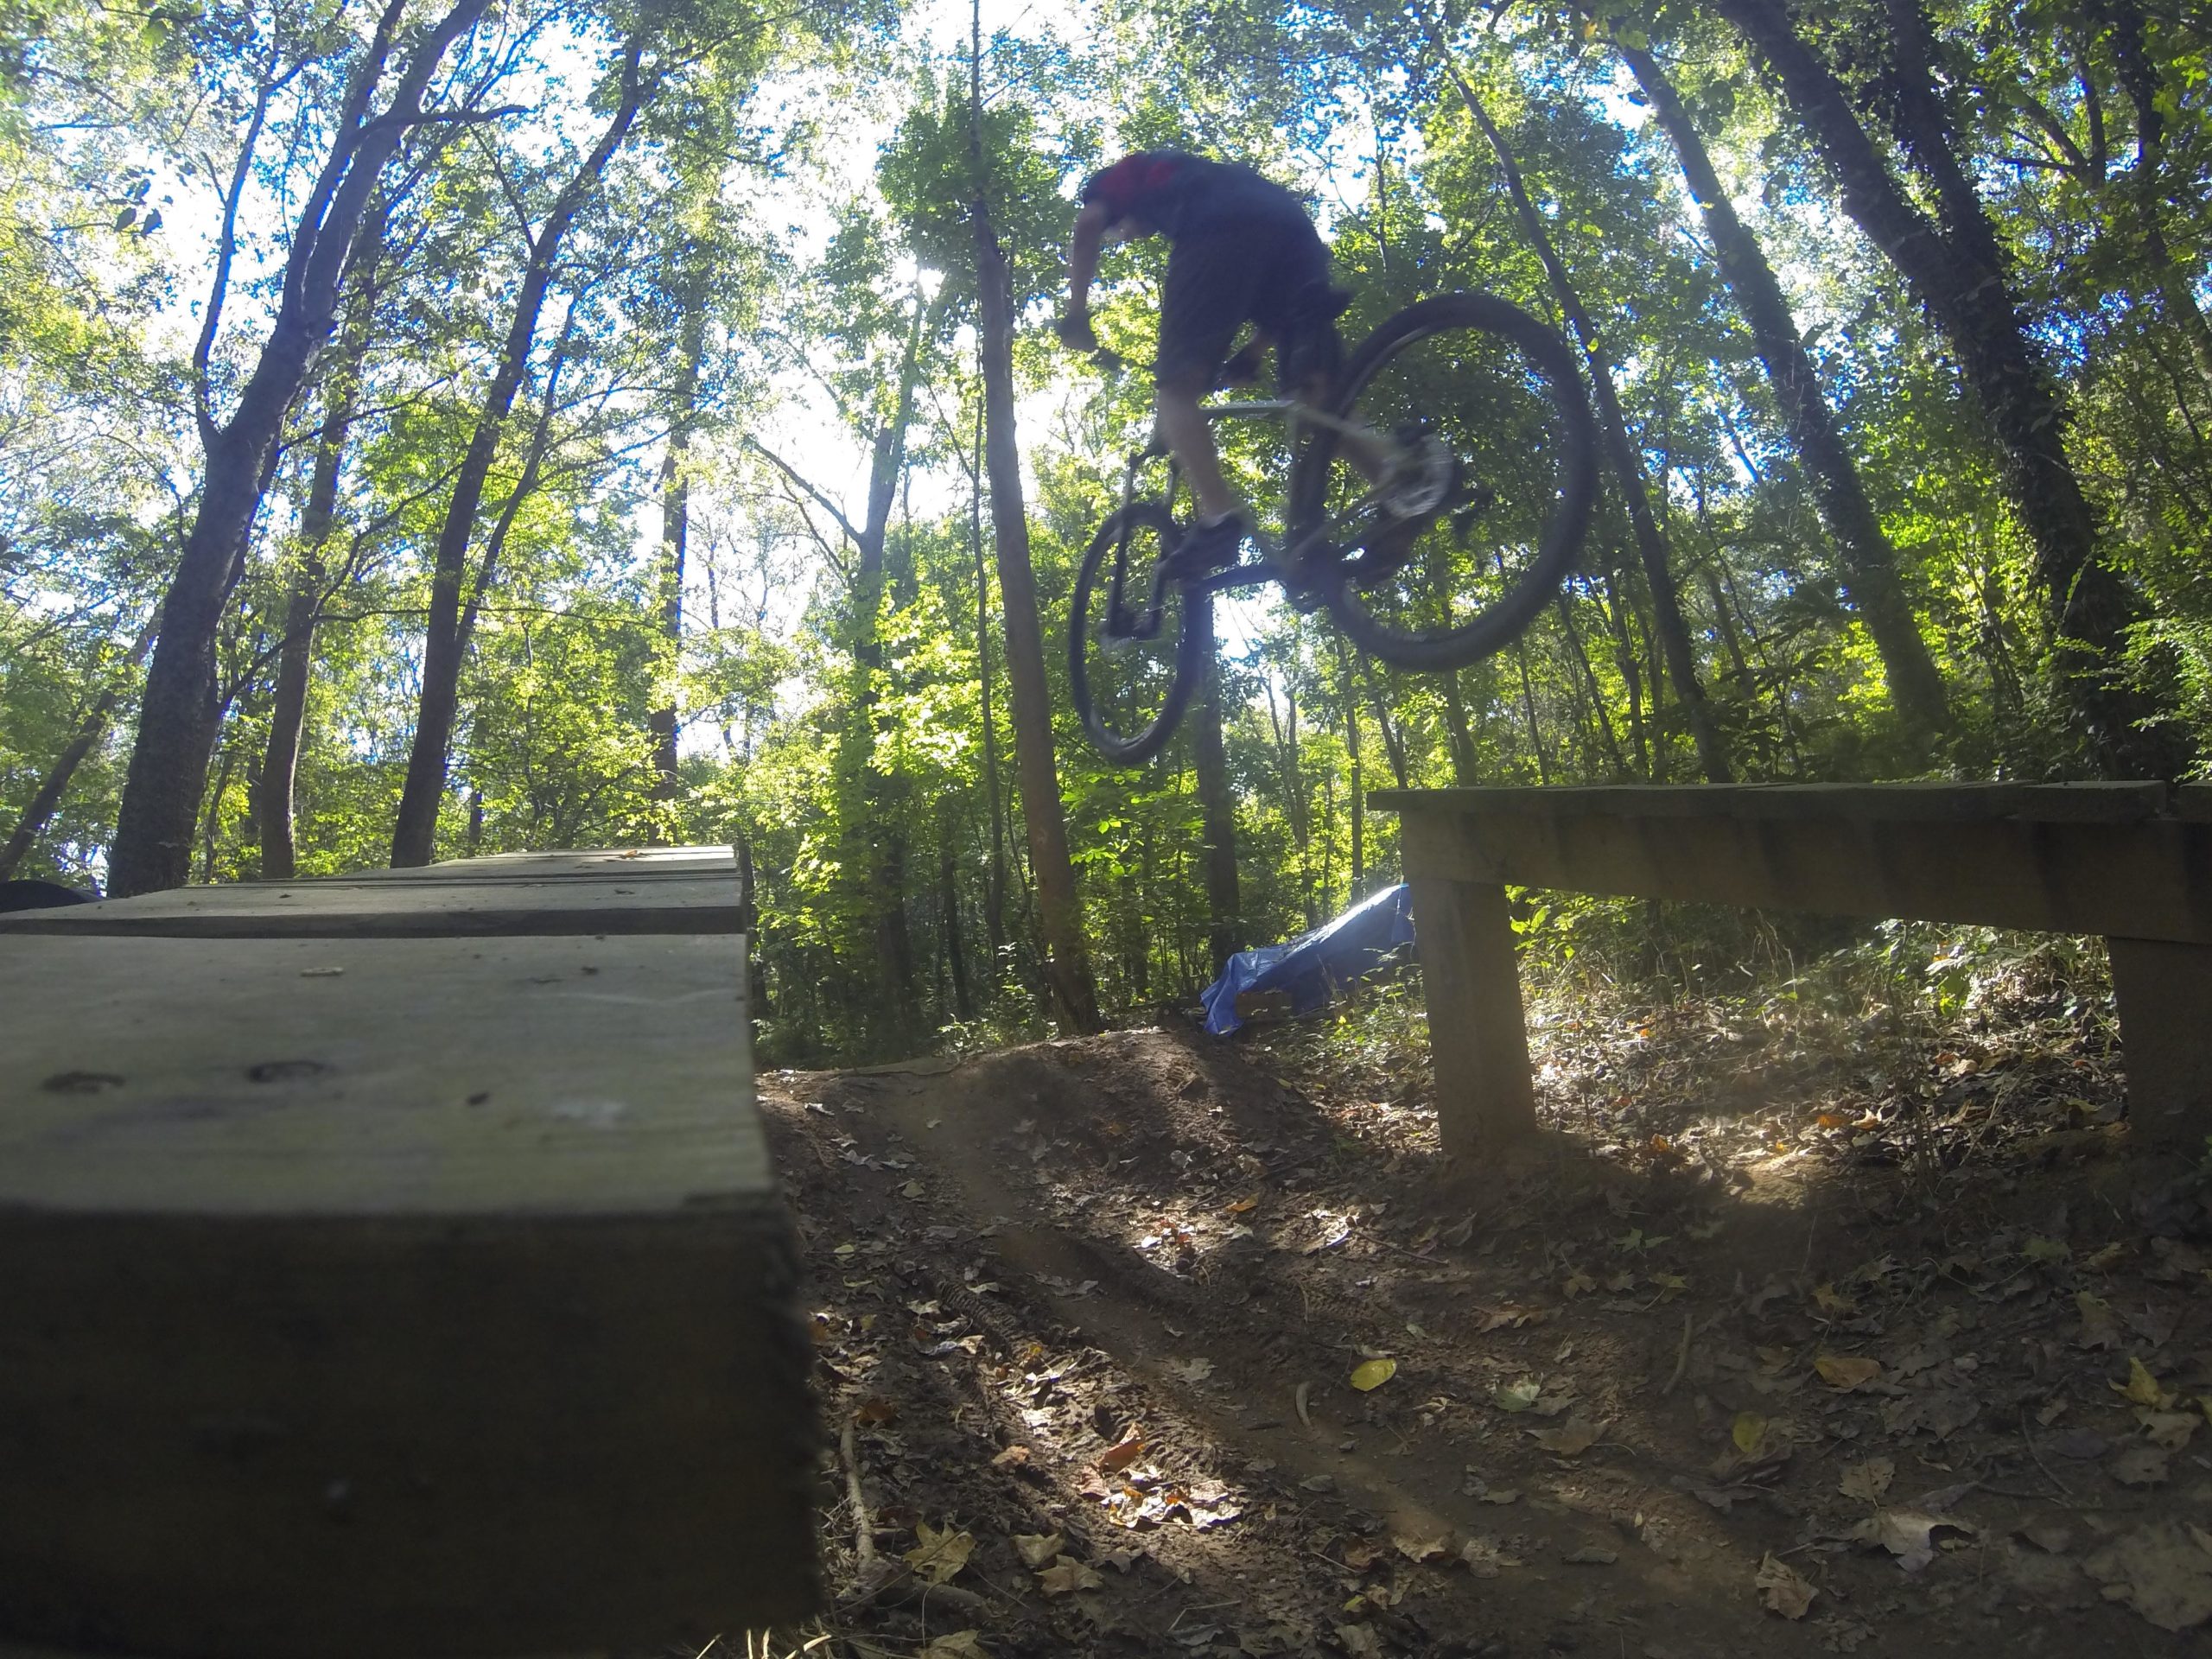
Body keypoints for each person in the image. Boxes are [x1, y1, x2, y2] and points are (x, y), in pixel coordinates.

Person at [1058, 149, 1353, 576]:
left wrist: (1077, 314)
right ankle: (1401, 487)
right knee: (1319, 405)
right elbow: (1275, 305)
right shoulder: (1206, 175)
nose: (1124, 234)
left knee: (1175, 394)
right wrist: (1253, 351)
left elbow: (1088, 225)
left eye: (1118, 232)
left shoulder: (1124, 177)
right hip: (1293, 233)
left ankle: (1218, 520)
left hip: (1216, 224)